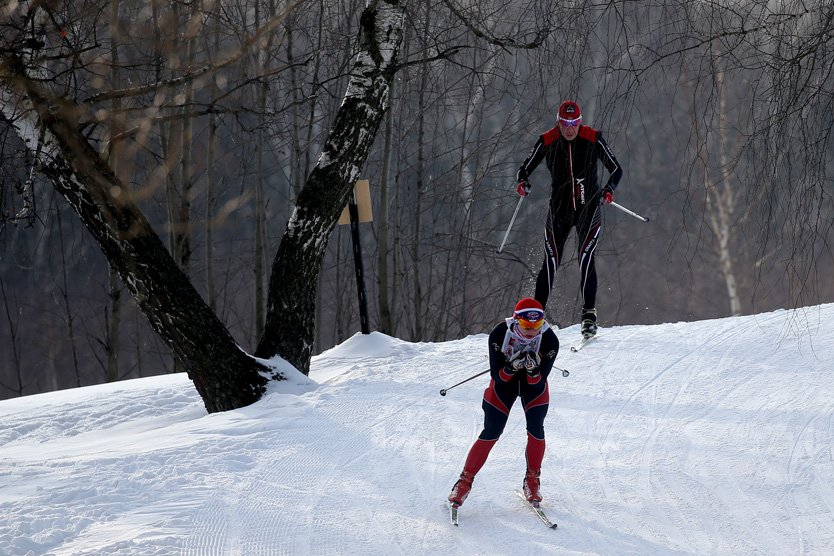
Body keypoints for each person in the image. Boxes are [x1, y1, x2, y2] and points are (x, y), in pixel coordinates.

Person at [516, 100, 623, 338]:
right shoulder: (547, 139)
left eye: (574, 123)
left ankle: (588, 316)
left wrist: (609, 189)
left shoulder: (592, 137)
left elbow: (616, 168)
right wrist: (523, 182)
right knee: (551, 262)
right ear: (559, 122)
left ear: (580, 121)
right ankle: (536, 317)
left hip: (588, 208)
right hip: (560, 210)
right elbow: (524, 168)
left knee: (585, 259)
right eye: (565, 123)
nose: (570, 129)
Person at [448, 298, 560, 508]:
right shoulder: (500, 333)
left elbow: (538, 383)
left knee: (536, 429)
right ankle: (463, 484)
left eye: (537, 325)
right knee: (491, 430)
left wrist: (532, 370)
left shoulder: (550, 339)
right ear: (516, 321)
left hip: (532, 386)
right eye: (527, 325)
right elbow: (498, 377)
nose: (532, 331)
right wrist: (512, 367)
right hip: (504, 385)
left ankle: (532, 481)